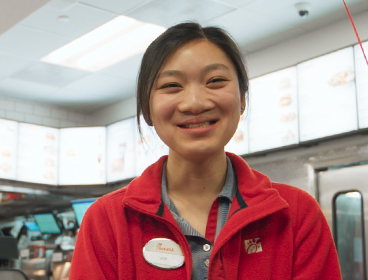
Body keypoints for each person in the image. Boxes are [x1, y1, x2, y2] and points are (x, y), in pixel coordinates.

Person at [70, 22, 341, 279]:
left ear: (242, 99)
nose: (195, 103)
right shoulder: (106, 222)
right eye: (172, 85)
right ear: (147, 109)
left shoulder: (295, 214)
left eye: (215, 81)